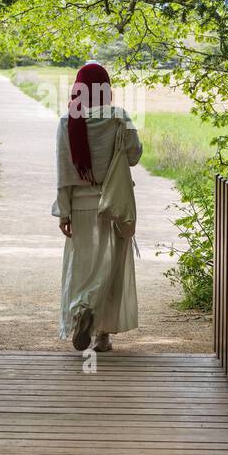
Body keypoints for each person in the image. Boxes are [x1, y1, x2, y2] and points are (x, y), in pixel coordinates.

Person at [52, 62, 142, 352]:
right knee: (112, 266)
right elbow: (134, 156)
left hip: (80, 206)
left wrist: (64, 211)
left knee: (82, 264)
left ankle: (82, 309)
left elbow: (64, 170)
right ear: (106, 89)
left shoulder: (68, 121)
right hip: (114, 203)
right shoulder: (118, 118)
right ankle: (103, 336)